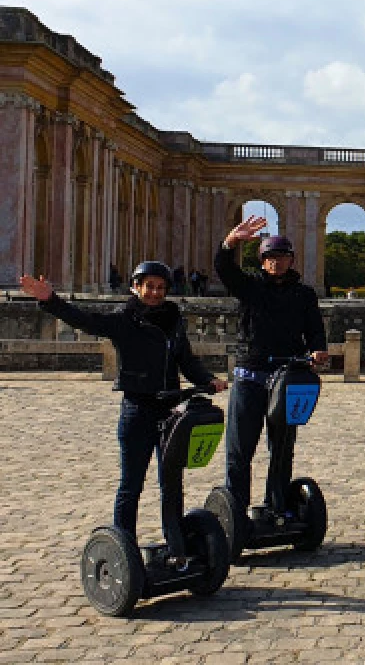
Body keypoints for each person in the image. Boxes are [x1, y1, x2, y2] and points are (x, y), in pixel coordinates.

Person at [18, 263, 227, 556]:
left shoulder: (173, 319)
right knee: (131, 485)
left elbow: (186, 360)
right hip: (138, 409)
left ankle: (177, 544)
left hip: (170, 409)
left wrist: (208, 379)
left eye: (160, 288)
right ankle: (124, 550)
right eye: (148, 286)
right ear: (136, 287)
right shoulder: (123, 319)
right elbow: (85, 321)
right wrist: (49, 300)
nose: (154, 293)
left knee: (171, 483)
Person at [214, 216, 329, 514]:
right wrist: (230, 243)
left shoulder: (303, 294)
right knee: (240, 450)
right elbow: (224, 270)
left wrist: (318, 349)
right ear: (262, 261)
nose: (276, 263)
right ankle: (237, 509)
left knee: (282, 449)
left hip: (288, 377)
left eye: (282, 257)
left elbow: (314, 328)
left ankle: (277, 505)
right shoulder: (250, 286)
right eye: (270, 258)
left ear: (291, 260)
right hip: (250, 376)